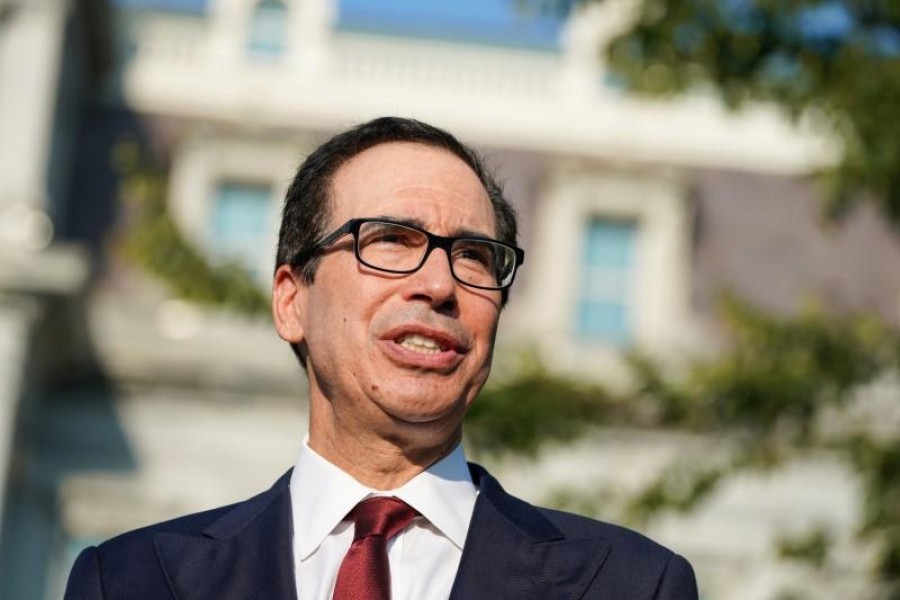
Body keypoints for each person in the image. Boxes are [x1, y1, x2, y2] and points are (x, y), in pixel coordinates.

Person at [64, 117, 698, 599]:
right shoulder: (129, 580)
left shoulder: (634, 585)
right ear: (291, 301)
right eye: (392, 240)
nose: (440, 285)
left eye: (474, 255)